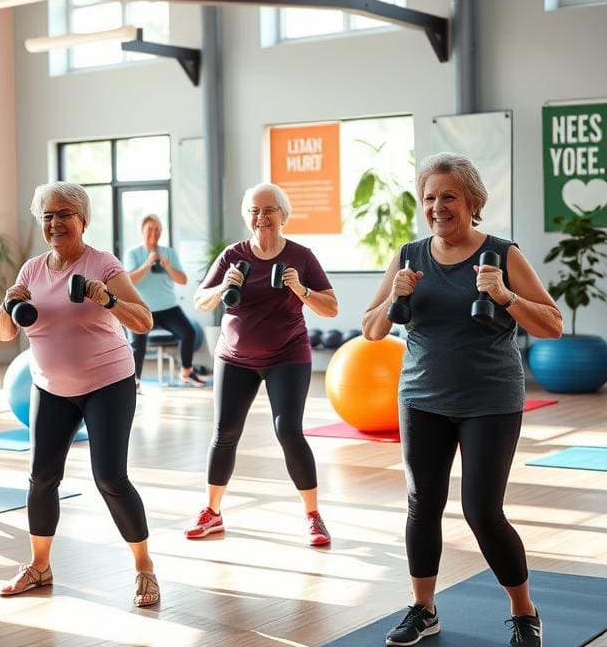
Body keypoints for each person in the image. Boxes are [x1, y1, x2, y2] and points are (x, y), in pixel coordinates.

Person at [362, 153, 562, 647]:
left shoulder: (502, 253)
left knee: (482, 510)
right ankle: (423, 608)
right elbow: (370, 330)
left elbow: (553, 325)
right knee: (421, 505)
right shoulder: (409, 255)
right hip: (422, 398)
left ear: (472, 201)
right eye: (430, 197)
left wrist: (506, 297)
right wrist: (393, 299)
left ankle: (524, 612)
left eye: (448, 196)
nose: (437, 206)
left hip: (490, 400)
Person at [0, 181, 160, 607]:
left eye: (64, 213)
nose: (55, 222)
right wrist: (7, 303)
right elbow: (1, 331)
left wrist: (107, 301)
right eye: (47, 215)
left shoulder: (102, 264)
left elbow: (143, 321)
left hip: (108, 383)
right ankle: (40, 566)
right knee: (41, 478)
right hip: (50, 386)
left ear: (82, 219)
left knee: (110, 478)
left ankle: (144, 566)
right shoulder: (31, 270)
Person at [187, 182, 338, 545]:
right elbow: (200, 302)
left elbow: (331, 307)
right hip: (234, 357)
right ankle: (212, 512)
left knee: (288, 429)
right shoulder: (232, 255)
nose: (261, 217)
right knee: (224, 432)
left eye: (269, 210)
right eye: (254, 210)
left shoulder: (301, 256)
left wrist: (301, 289)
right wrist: (223, 287)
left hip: (287, 354)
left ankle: (313, 516)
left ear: (283, 216)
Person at [124, 213, 205, 388]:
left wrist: (167, 266)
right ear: (142, 231)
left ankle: (186, 372)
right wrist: (147, 263)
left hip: (169, 308)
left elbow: (182, 280)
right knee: (138, 346)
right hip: (143, 308)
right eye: (150, 229)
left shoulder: (169, 253)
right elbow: (129, 280)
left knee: (189, 332)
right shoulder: (133, 253)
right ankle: (134, 382)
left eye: (158, 229)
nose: (155, 233)